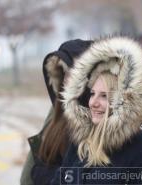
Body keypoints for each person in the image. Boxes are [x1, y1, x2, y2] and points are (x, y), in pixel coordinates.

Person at [46, 36, 142, 184]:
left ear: (124, 103)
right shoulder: (81, 145)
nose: (94, 103)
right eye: (92, 94)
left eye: (104, 96)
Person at [20, 39, 93, 185]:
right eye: (64, 73)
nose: (67, 80)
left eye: (74, 73)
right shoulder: (58, 109)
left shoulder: (99, 121)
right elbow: (31, 172)